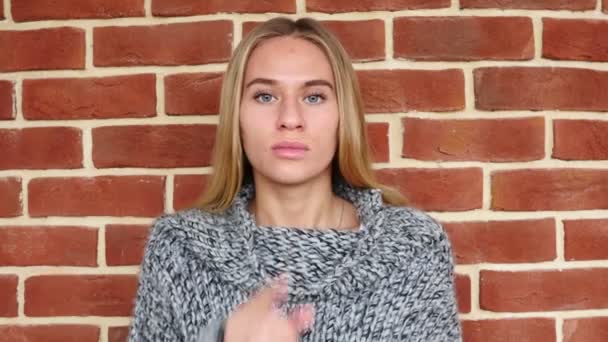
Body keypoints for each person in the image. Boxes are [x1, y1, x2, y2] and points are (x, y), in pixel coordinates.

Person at [127, 16, 462, 342]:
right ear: (237, 116)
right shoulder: (180, 249)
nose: (290, 118)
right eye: (265, 96)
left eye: (314, 97)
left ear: (342, 116)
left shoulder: (413, 249)